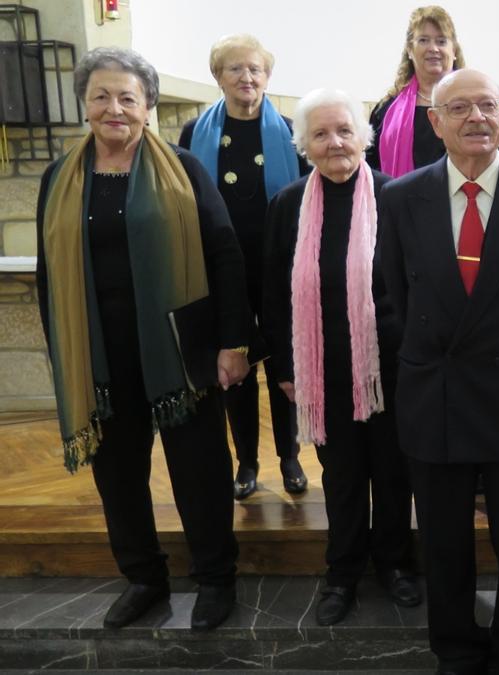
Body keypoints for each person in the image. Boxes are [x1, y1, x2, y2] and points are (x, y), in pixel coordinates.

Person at [35, 47, 250, 631]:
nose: (115, 108)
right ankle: (143, 578)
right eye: (101, 96)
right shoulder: (60, 178)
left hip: (181, 351)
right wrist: (63, 356)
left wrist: (233, 342)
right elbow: (47, 275)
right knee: (118, 476)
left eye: (128, 97)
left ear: (148, 106)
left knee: (200, 469)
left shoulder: (183, 169)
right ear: (84, 105)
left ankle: (214, 578)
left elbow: (226, 254)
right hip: (101, 356)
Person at [377, 69, 499, 674]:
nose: (475, 118)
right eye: (458, 108)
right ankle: (456, 648)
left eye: (487, 105)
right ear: (434, 123)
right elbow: (394, 298)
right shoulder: (401, 196)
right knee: (443, 542)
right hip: (433, 391)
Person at [260, 89, 423, 625]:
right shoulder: (288, 206)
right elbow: (272, 292)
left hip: (390, 366)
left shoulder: (396, 197)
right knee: (343, 474)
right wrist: (284, 367)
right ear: (304, 144)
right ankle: (343, 570)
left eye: (344, 131)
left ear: (364, 137)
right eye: (321, 134)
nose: (335, 143)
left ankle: (397, 564)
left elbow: (418, 285)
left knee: (394, 471)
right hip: (322, 367)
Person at [178, 34, 308, 500]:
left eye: (255, 69)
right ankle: (247, 461)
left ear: (267, 76)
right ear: (218, 77)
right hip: (222, 268)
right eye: (235, 69)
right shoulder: (194, 133)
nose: (246, 78)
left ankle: (289, 456)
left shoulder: (293, 131)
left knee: (281, 362)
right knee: (234, 363)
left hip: (280, 264)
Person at [367, 5, 499, 177]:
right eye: (423, 40)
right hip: (407, 202)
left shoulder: (486, 107)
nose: (433, 48)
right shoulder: (385, 112)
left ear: (454, 50)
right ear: (410, 50)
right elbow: (371, 174)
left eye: (441, 41)